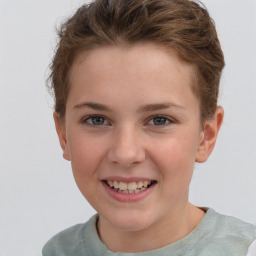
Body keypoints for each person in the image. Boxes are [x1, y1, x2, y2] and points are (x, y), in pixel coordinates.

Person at [42, 0, 256, 255]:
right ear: (63, 134)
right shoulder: (58, 251)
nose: (125, 153)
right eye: (97, 119)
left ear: (206, 136)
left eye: (159, 120)